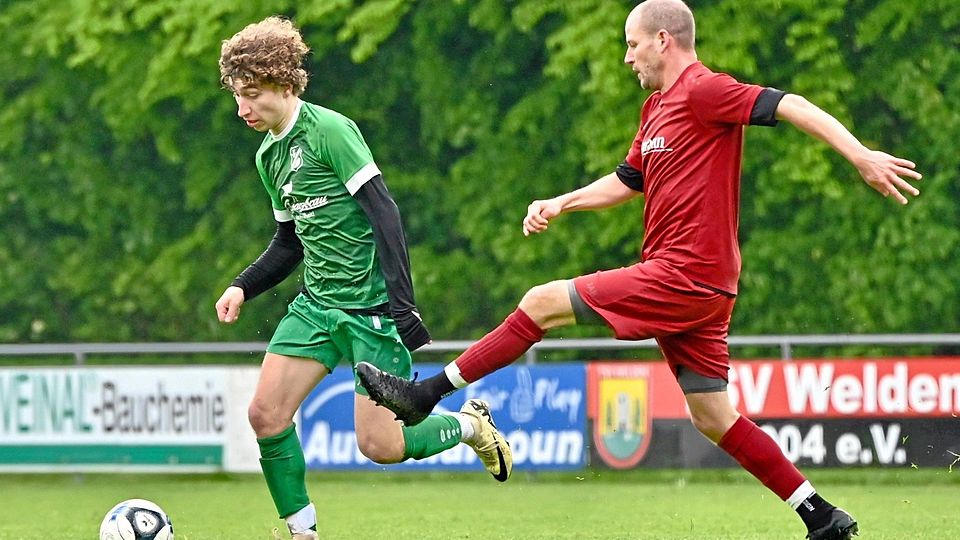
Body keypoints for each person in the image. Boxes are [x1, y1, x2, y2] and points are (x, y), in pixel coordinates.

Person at [357, 1, 922, 539]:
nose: (627, 57)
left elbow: (790, 103)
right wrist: (562, 202)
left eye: (632, 45)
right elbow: (629, 181)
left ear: (663, 40)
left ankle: (426, 394)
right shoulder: (654, 109)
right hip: (696, 285)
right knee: (712, 415)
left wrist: (860, 155)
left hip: (686, 274)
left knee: (540, 302)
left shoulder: (704, 90)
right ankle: (821, 515)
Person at [214, 16, 512, 540]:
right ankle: (302, 532)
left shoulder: (330, 131)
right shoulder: (268, 156)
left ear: (284, 83)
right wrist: (243, 285)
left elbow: (384, 213)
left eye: (251, 95)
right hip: (315, 308)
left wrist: (403, 304)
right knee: (265, 415)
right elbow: (290, 242)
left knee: (379, 446)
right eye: (237, 96)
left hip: (371, 311)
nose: (242, 109)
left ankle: (470, 425)